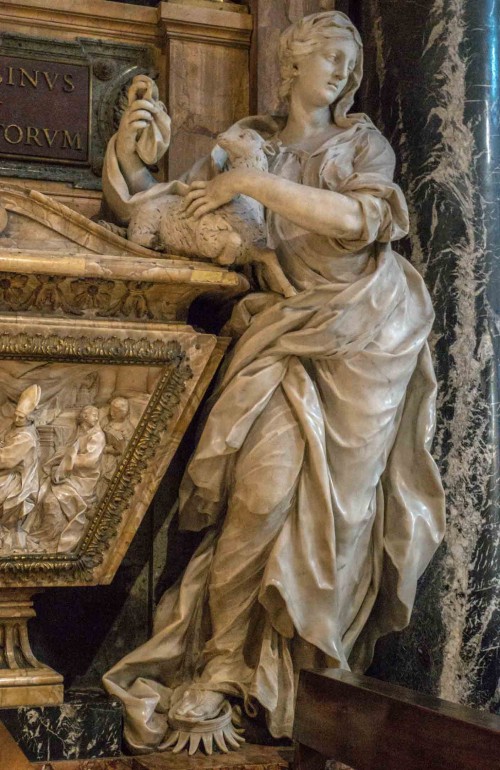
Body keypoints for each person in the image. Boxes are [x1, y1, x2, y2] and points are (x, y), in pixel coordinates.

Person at [103, 11, 446, 753]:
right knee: (257, 495)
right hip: (280, 333)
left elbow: (363, 219)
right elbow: (160, 214)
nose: (341, 72)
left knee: (335, 527)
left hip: (365, 334)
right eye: (328, 56)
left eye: (349, 63)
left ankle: (300, 684)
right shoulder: (246, 143)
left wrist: (256, 182)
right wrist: (135, 161)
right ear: (291, 65)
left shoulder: (360, 144)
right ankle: (224, 663)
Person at [31, 405, 106, 553]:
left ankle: (52, 540)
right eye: (93, 415)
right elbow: (68, 450)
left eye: (97, 415)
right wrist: (58, 460)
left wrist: (64, 464)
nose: (96, 418)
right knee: (40, 493)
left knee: (51, 501)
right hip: (71, 476)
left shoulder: (97, 435)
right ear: (84, 417)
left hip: (84, 480)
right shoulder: (79, 433)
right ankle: (46, 536)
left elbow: (89, 461)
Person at [0, 385, 41, 551]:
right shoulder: (18, 428)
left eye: (21, 417)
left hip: (18, 481)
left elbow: (6, 460)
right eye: (16, 415)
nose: (16, 419)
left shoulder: (26, 437)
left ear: (29, 417)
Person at [101, 397, 135, 482]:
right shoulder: (111, 422)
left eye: (115, 412)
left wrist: (111, 451)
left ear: (123, 412)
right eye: (111, 410)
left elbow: (125, 450)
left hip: (116, 460)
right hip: (105, 454)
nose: (111, 413)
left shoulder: (127, 429)